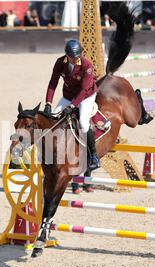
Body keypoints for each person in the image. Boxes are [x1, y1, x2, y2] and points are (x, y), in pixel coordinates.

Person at [44, 39, 100, 171]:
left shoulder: (87, 66)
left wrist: (72, 106)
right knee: (52, 118)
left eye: (78, 57)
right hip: (68, 95)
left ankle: (93, 156)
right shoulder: (60, 62)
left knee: (83, 123)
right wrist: (48, 103)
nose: (76, 60)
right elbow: (53, 83)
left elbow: (83, 90)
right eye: (73, 58)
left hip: (86, 96)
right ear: (67, 56)